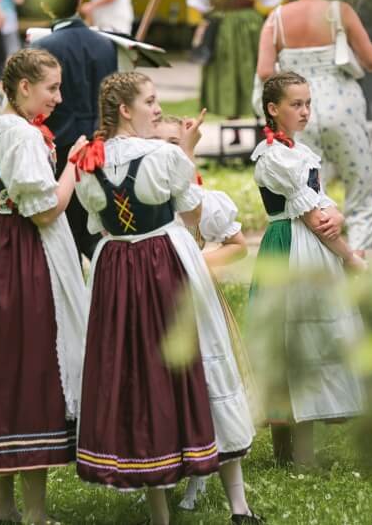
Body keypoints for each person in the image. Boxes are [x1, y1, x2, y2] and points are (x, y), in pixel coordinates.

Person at [73, 72, 260, 525]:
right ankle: (239, 505)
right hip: (166, 263)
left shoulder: (88, 164)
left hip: (116, 269)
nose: (157, 109)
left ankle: (160, 514)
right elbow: (193, 211)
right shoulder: (162, 156)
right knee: (201, 360)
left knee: (140, 374)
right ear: (125, 109)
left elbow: (98, 226)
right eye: (151, 101)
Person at [0, 48, 90, 525]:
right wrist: (72, 165)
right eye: (51, 87)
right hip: (28, 256)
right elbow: (45, 210)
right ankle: (34, 514)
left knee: (2, 368)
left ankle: (2, 508)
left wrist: (0, 206)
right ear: (24, 87)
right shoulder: (24, 137)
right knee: (34, 369)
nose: (58, 97)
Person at [248, 71, 366, 467]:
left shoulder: (299, 151)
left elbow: (322, 204)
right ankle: (295, 455)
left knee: (310, 337)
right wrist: (349, 257)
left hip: (311, 245)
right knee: (291, 339)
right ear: (273, 109)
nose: (304, 111)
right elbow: (312, 216)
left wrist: (338, 213)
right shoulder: (274, 157)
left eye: (308, 103)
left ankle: (296, 452)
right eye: (296, 104)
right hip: (290, 247)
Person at [154, 114, 254, 512]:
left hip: (196, 303)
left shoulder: (197, 198)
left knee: (208, 383)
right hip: (157, 301)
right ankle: (174, 464)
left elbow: (237, 245)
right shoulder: (143, 198)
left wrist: (194, 262)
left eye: (175, 144)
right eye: (157, 142)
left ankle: (217, 478)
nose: (166, 151)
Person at [255, 0, 372, 253]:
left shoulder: (276, 18)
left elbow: (264, 70)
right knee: (360, 186)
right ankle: (364, 252)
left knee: (310, 188)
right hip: (343, 107)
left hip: (299, 108)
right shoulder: (340, 11)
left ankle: (320, 251)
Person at [30, 0, 118, 260]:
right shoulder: (105, 44)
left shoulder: (43, 48)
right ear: (81, 0)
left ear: (45, 4)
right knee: (96, 227)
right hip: (101, 146)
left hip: (62, 145)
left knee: (66, 231)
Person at [188, 0, 283, 120]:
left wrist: (211, 13)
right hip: (240, 23)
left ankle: (254, 115)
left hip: (238, 23)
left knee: (248, 68)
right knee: (233, 69)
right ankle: (240, 120)